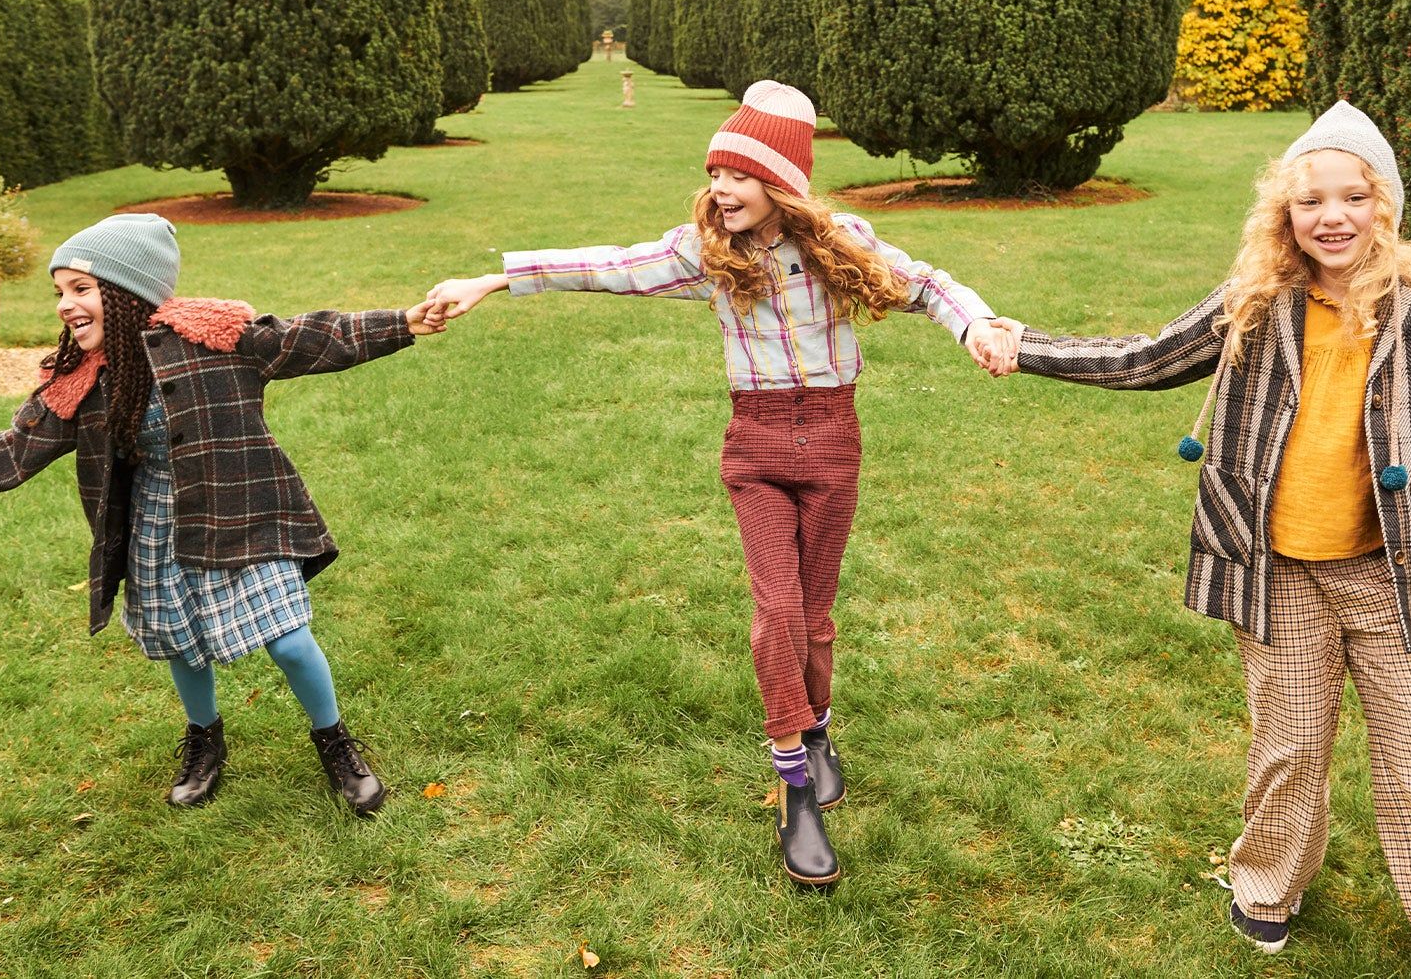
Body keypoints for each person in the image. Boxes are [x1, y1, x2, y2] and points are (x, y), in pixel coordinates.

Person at [979, 103, 1411, 977]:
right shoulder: (1255, 306)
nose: (1332, 217)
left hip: (1383, 573)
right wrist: (1028, 346)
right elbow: (1145, 358)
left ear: (1385, 207)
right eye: (1309, 201)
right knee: (1290, 740)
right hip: (1275, 572)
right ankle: (1266, 884)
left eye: (1352, 197)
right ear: (1284, 215)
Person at [419, 80, 1019, 886]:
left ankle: (817, 730)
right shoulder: (705, 254)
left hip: (835, 441)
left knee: (814, 617)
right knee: (776, 613)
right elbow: (606, 266)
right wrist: (492, 281)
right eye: (714, 172)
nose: (720, 189)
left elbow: (931, 285)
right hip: (757, 449)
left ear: (779, 184)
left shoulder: (842, 246)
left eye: (738, 174)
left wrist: (977, 322)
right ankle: (796, 789)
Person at [0, 213, 454, 817]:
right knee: (180, 642)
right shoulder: (84, 375)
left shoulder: (213, 334)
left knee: (288, 640)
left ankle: (334, 740)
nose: (65, 306)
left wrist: (403, 322)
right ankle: (205, 739)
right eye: (60, 292)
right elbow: (20, 443)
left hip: (241, 507)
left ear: (127, 291)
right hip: (156, 522)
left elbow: (312, 337)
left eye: (82, 288)